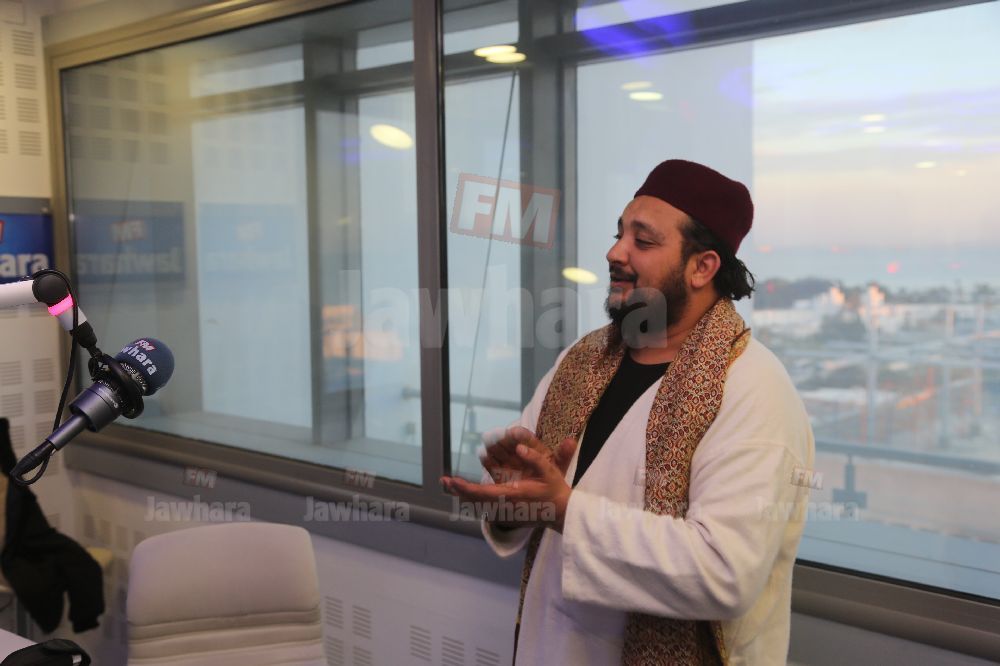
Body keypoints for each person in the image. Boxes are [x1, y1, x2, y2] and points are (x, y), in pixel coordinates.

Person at [440, 159, 815, 665]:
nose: (615, 252)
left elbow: (724, 572)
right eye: (619, 234)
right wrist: (514, 500)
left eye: (643, 240)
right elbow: (535, 501)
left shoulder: (753, 388)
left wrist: (565, 510)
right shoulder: (582, 360)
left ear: (703, 267)